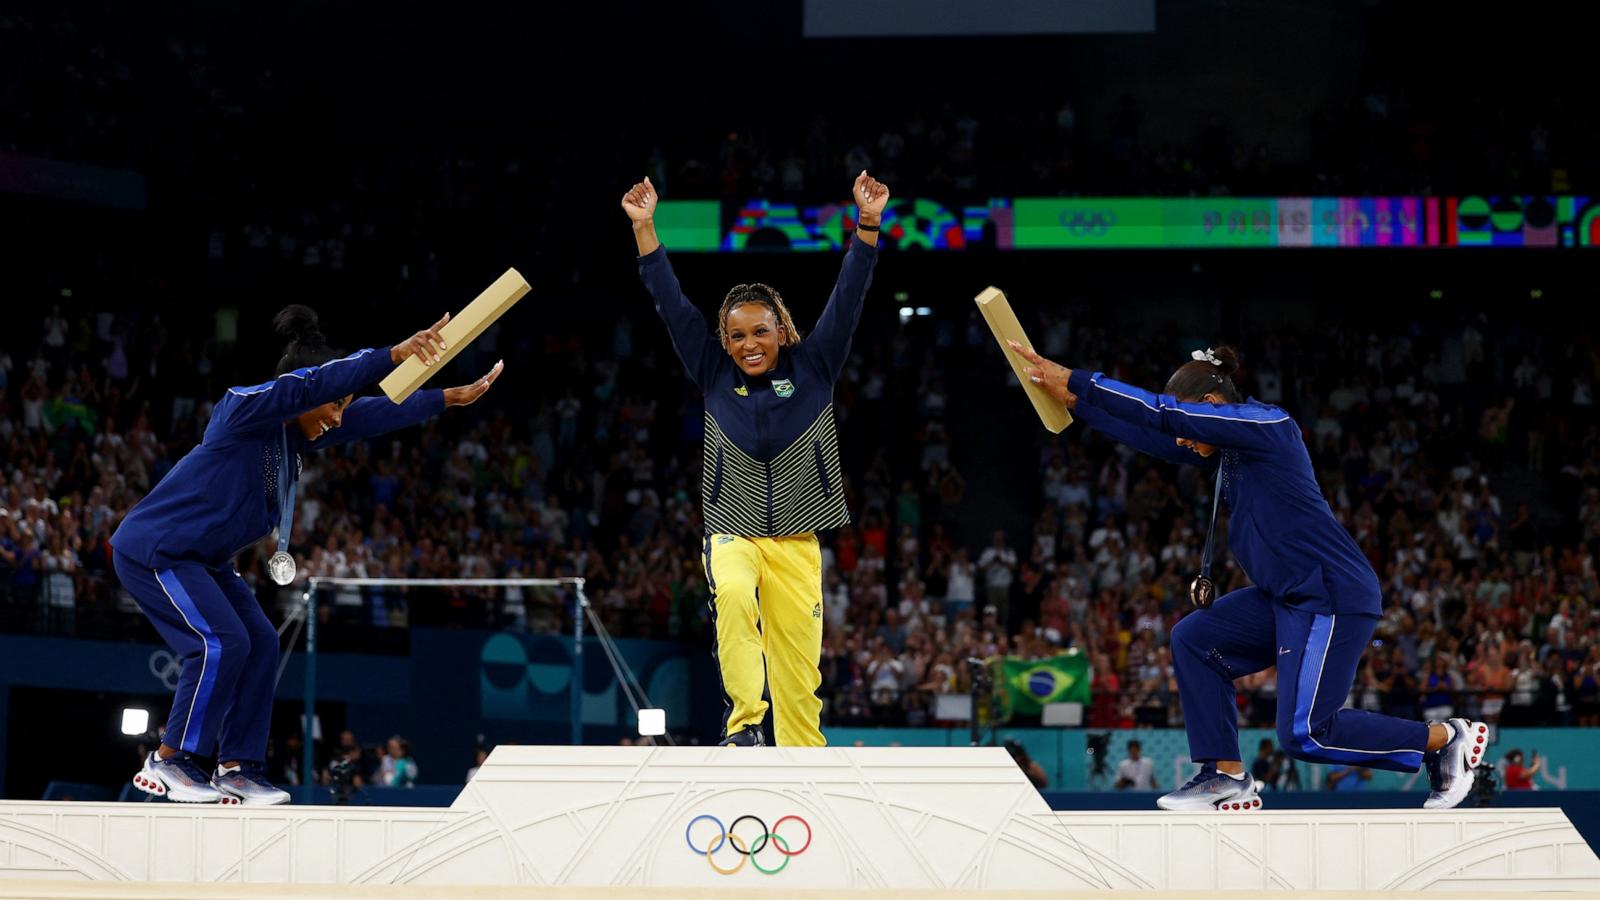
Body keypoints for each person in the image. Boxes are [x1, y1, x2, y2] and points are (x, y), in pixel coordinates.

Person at [1010, 342, 1487, 812]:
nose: (1183, 441)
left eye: (1189, 423)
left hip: (1331, 594)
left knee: (1306, 734)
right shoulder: (1229, 451)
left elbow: (1164, 416)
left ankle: (1445, 739)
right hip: (1287, 597)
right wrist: (1080, 406)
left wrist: (1077, 379)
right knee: (1194, 639)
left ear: (1212, 406)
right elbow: (1158, 436)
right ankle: (1226, 776)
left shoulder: (1269, 425)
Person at [113, 306, 503, 804]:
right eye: (332, 405)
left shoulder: (297, 434)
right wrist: (391, 354)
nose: (336, 419)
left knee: (260, 642)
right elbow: (307, 388)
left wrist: (445, 398)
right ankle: (170, 760)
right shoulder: (244, 409)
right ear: (307, 389)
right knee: (219, 643)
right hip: (156, 549)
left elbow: (370, 414)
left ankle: (236, 767)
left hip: (205, 560)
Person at [621, 171, 888, 747]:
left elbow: (849, 297)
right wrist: (646, 229)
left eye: (760, 332)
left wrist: (867, 224)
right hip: (732, 529)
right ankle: (744, 727)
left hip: (796, 539)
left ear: (781, 330)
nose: (748, 345)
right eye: (737, 335)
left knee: (798, 666)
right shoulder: (712, 370)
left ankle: (801, 757)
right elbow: (672, 305)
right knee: (736, 598)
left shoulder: (814, 367)